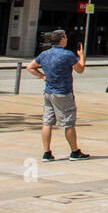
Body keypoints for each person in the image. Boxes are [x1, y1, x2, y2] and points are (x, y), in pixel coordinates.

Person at [25, 30, 89, 161]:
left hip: (48, 92)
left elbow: (30, 67)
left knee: (47, 122)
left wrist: (43, 76)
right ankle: (75, 152)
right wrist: (81, 56)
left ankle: (47, 153)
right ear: (62, 39)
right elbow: (80, 69)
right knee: (68, 123)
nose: (66, 39)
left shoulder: (44, 54)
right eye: (65, 37)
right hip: (63, 93)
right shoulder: (67, 55)